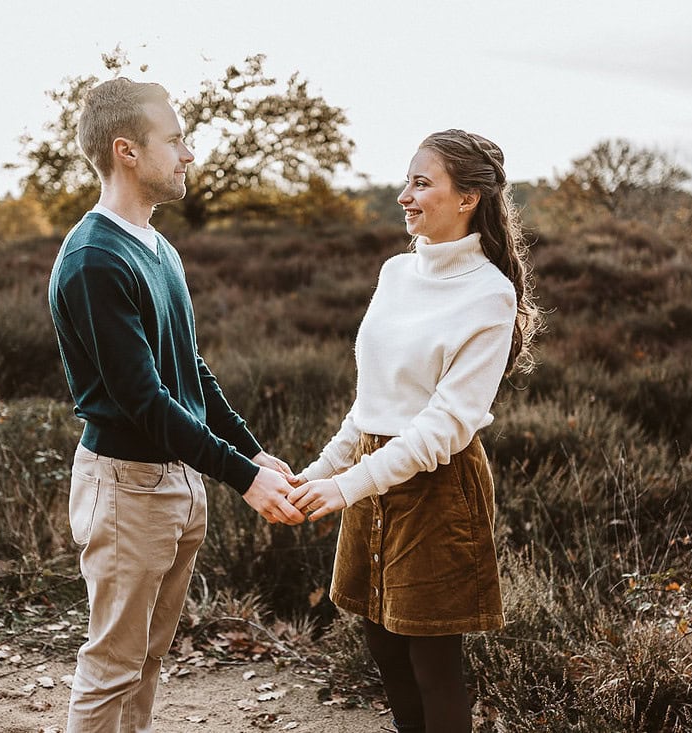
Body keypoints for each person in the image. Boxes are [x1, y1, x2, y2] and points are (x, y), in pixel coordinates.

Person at [48, 77, 305, 733]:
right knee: (111, 668)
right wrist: (245, 478)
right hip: (128, 487)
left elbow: (188, 367)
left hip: (179, 482)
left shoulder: (158, 246)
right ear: (126, 150)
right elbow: (144, 402)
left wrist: (249, 448)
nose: (188, 154)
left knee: (148, 660)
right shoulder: (93, 260)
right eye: (176, 140)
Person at [288, 129, 540, 732]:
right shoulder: (396, 274)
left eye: (422, 183)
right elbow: (372, 401)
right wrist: (322, 471)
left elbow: (445, 427)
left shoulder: (490, 295)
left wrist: (347, 487)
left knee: (433, 663)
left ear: (469, 198)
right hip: (374, 473)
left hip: (438, 485)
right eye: (407, 181)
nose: (404, 195)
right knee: (386, 653)